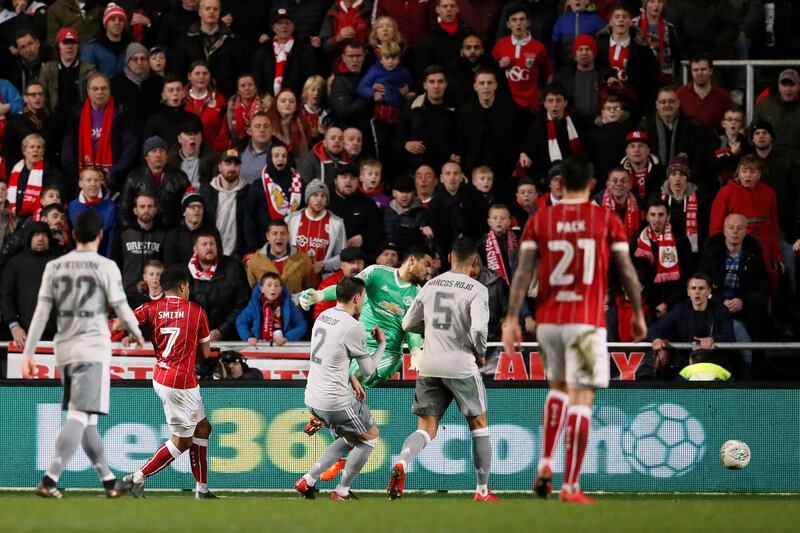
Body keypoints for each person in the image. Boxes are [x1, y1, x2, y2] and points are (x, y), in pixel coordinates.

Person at [502, 157, 646, 504]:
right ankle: (569, 486)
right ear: (593, 184)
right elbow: (626, 269)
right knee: (582, 399)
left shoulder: (541, 219)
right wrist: (638, 311)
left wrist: (511, 318)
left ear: (561, 184)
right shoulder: (605, 218)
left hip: (549, 320)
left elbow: (522, 272)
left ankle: (545, 462)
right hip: (586, 320)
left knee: (558, 390)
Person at [20, 210, 145, 498]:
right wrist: (136, 333)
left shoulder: (55, 265)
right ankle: (50, 480)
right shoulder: (106, 266)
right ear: (100, 235)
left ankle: (109, 481)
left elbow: (41, 312)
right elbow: (121, 305)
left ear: (74, 235)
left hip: (64, 348)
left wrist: (29, 352)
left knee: (88, 419)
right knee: (79, 415)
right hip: (92, 348)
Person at [389, 236, 497, 502]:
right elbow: (479, 329)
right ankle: (482, 491)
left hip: (429, 363)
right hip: (460, 364)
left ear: (449, 257)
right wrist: (480, 353)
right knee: (479, 425)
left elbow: (407, 323)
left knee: (426, 428)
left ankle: (402, 462)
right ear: (474, 262)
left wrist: (432, 332)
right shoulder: (476, 289)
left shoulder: (430, 285)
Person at [117, 267, 216, 499]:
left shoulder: (152, 308)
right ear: (183, 287)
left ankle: (202, 489)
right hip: (181, 384)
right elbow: (206, 351)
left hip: (163, 375)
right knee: (182, 441)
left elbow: (123, 322)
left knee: (203, 428)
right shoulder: (196, 311)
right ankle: (136, 478)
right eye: (188, 287)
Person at [293, 276, 387, 501]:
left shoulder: (323, 316)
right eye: (363, 297)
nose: (363, 301)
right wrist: (382, 343)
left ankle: (309, 479)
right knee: (369, 438)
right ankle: (342, 490)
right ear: (357, 298)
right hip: (335, 400)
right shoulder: (354, 327)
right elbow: (368, 370)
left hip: (312, 396)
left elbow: (330, 358)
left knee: (350, 437)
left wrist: (349, 378)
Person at [648, 274, 736, 379]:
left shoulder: (720, 310)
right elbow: (655, 328)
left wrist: (713, 339)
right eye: (693, 288)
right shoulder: (680, 309)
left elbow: (730, 337)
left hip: (714, 363)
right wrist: (656, 339)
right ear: (688, 292)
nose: (697, 292)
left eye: (701, 288)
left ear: (708, 291)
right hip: (685, 364)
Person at [62, 72, 137, 190]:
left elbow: (130, 148)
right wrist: (78, 178)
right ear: (88, 91)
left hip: (113, 178)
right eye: (95, 89)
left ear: (109, 90)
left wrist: (111, 172)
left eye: (103, 88)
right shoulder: (76, 114)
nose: (100, 92)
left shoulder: (122, 113)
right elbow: (68, 149)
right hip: (81, 178)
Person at [631, 198, 692, 323]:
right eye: (652, 215)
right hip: (645, 301)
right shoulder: (637, 239)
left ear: (668, 217)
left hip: (673, 302)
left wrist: (668, 303)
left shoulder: (680, 239)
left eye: (661, 215)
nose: (656, 219)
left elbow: (686, 275)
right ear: (647, 217)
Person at [1, 221, 59, 349]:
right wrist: (13, 325)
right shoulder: (15, 263)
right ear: (29, 238)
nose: (40, 238)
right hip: (25, 336)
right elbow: (6, 297)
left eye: (44, 235)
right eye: (36, 235)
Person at [186, 229, 250, 341]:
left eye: (212, 243)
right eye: (204, 244)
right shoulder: (186, 274)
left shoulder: (234, 267)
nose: (209, 247)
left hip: (233, 335)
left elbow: (243, 302)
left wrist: (221, 331)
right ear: (195, 249)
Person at [396, 66, 457, 176]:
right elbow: (397, 138)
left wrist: (456, 155)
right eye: (431, 82)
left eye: (440, 82)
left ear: (446, 84)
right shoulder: (412, 107)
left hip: (445, 171)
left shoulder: (454, 109)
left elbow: (461, 140)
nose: (436, 86)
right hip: (417, 170)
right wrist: (405, 144)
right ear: (425, 85)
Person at [119, 135, 191, 229]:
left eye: (161, 151)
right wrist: (134, 231)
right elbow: (123, 210)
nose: (158, 155)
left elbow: (189, 206)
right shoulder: (133, 178)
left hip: (171, 232)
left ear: (167, 155)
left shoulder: (180, 177)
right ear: (146, 156)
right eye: (154, 151)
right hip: (142, 232)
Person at [171, 0, 239, 96]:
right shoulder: (186, 40)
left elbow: (239, 71)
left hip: (225, 96)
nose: (212, 11)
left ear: (219, 12)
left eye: (215, 9)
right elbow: (177, 71)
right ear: (199, 12)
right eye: (208, 8)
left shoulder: (232, 40)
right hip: (192, 97)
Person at [493, 5, 553, 113]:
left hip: (531, 106)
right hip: (507, 105)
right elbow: (492, 69)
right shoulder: (500, 45)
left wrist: (543, 95)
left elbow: (549, 74)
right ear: (508, 24)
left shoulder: (538, 47)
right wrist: (499, 65)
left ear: (528, 23)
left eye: (522, 19)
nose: (518, 23)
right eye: (514, 20)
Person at [519, 82, 585, 177]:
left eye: (558, 100)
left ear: (565, 102)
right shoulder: (537, 126)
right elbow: (530, 151)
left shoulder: (577, 122)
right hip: (548, 178)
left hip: (575, 176)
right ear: (545, 104)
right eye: (550, 101)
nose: (554, 105)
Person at [286, 179, 347, 278]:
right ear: (308, 198)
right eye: (315, 195)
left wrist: (323, 265)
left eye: (323, 196)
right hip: (295, 276)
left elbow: (343, 255)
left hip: (324, 278)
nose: (319, 199)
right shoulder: (291, 219)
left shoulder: (337, 223)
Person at [251, 7, 314, 98]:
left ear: (293, 26)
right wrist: (264, 97)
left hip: (294, 101)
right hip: (267, 101)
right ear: (273, 27)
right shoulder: (262, 52)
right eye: (280, 23)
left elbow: (308, 79)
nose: (284, 26)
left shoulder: (305, 50)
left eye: (287, 23)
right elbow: (256, 78)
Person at [199, 148, 249, 257]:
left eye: (236, 164)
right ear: (220, 167)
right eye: (228, 163)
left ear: (240, 167)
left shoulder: (248, 192)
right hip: (209, 253)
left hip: (238, 255)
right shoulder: (206, 191)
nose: (232, 167)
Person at [328, 164, 385, 259]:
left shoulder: (367, 203)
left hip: (358, 258)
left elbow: (379, 233)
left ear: (358, 181)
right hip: (329, 256)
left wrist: (363, 239)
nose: (348, 181)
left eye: (353, 178)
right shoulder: (326, 201)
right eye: (344, 177)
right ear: (335, 180)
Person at [236, 271, 307, 345]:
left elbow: (301, 325)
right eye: (269, 285)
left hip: (283, 346)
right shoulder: (255, 305)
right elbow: (241, 322)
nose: (273, 289)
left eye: (276, 286)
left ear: (280, 289)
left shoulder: (288, 305)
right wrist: (249, 337)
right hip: (260, 345)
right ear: (262, 289)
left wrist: (287, 337)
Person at [110, 43, 162, 136]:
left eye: (143, 58)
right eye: (135, 59)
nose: (139, 62)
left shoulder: (158, 82)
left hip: (154, 132)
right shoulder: (116, 83)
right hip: (126, 134)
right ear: (128, 61)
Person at [676, 54, 734, 132]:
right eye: (695, 70)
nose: (699, 73)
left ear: (711, 71)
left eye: (703, 69)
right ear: (691, 72)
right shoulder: (680, 94)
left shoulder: (723, 96)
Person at [67, 167, 116, 258]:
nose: (93, 184)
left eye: (96, 180)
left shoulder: (110, 207)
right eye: (89, 180)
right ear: (80, 183)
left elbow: (111, 241)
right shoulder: (72, 206)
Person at [753, 69, 800, 160]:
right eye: (784, 85)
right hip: (771, 158)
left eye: (792, 85)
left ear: (799, 86)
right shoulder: (765, 104)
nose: (788, 89)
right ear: (778, 85)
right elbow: (753, 131)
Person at [632, 0, 682, 85]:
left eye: (660, 2)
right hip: (638, 76)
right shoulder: (633, 25)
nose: (656, 5)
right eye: (652, 1)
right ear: (645, 5)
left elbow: (676, 55)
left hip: (663, 77)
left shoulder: (669, 28)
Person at [184, 61, 230, 152]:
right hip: (185, 152)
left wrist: (216, 153)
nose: (201, 77)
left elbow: (223, 130)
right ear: (189, 76)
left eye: (205, 73)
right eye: (197, 73)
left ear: (210, 76)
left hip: (212, 153)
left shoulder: (219, 99)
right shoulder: (181, 99)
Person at [311, 246, 365, 321]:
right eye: (351, 263)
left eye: (359, 262)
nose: (355, 266)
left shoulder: (369, 283)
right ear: (342, 265)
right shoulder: (329, 284)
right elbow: (319, 316)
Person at [80, 3, 131, 78]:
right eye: (112, 19)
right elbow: (86, 74)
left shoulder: (131, 45)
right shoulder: (93, 47)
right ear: (106, 23)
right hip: (101, 88)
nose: (117, 23)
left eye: (120, 19)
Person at [239, 111, 274, 184]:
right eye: (257, 126)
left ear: (272, 130)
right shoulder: (239, 152)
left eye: (266, 126)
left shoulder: (281, 154)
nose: (262, 130)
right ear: (249, 131)